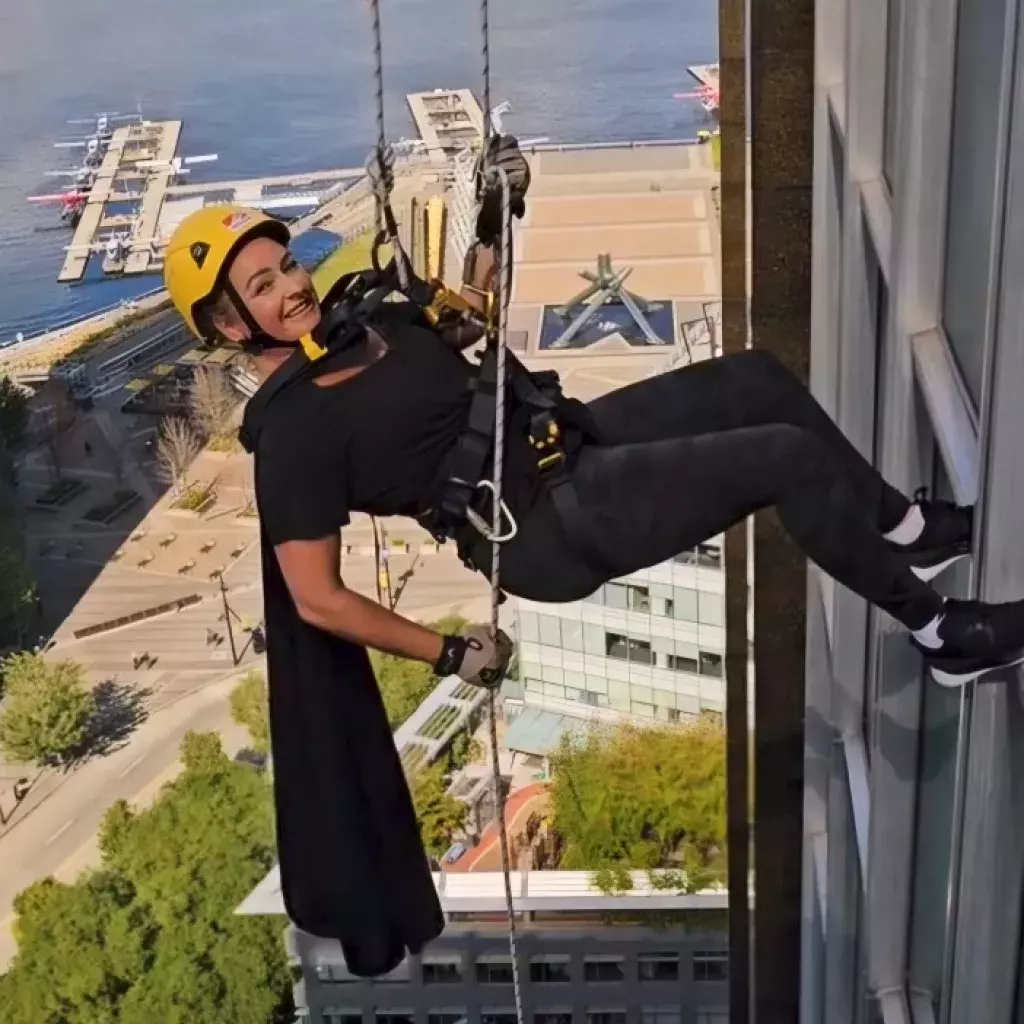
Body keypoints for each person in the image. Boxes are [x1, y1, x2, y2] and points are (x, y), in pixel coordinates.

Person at [162, 138, 1024, 969]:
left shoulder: (365, 315)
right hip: (545, 529)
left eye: (286, 265)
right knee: (781, 461)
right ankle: (940, 631)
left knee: (758, 379)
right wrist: (452, 653)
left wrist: (497, 214)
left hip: (567, 445)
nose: (292, 288)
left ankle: (905, 529)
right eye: (262, 288)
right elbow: (316, 597)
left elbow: (474, 313)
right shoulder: (294, 434)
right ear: (233, 327)